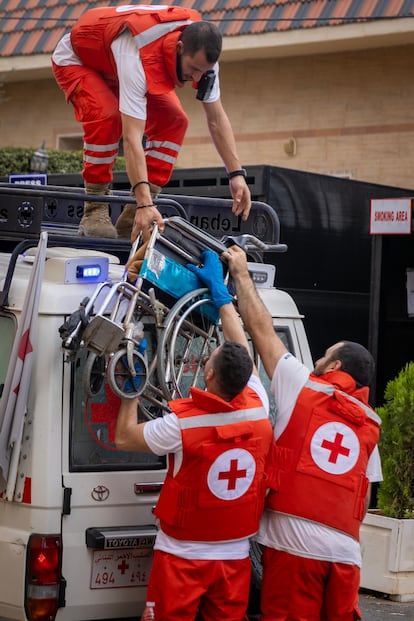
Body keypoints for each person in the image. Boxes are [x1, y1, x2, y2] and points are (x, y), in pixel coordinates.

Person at [221, 245, 383, 621]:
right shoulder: (368, 425)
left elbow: (260, 330)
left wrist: (242, 272)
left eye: (324, 356)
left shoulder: (303, 386)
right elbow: (364, 493)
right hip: (345, 553)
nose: (318, 361)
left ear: (335, 365)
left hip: (293, 546)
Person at [115, 250, 273, 621]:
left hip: (182, 556)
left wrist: (131, 385)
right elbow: (242, 351)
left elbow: (123, 438)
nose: (204, 361)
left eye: (208, 359)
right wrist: (220, 295)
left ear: (211, 376)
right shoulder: (257, 405)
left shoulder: (181, 426)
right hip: (234, 558)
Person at [52, 5, 251, 241]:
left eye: (203, 72)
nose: (196, 79)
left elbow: (216, 118)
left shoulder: (204, 59)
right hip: (79, 60)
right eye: (193, 70)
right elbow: (132, 137)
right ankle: (95, 209)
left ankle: (129, 222)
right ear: (180, 48)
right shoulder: (135, 52)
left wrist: (236, 175)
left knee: (175, 121)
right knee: (108, 117)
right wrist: (145, 204)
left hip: (115, 65)